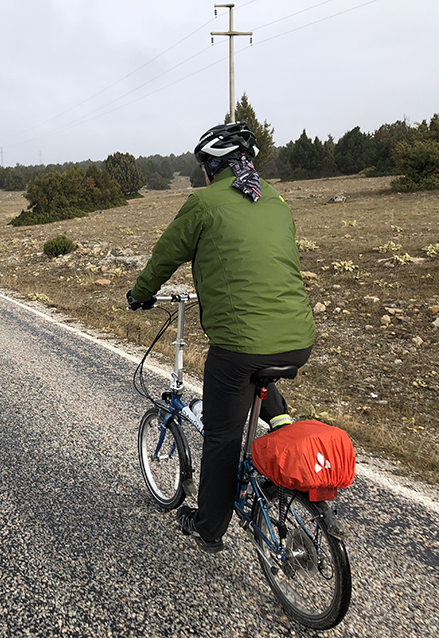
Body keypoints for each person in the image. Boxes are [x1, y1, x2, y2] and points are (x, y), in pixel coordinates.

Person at [126, 122, 315, 552]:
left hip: (241, 345)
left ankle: (208, 527)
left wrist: (141, 294)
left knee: (221, 437)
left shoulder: (204, 203)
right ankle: (281, 427)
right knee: (256, 371)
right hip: (298, 336)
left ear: (212, 167)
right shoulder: (275, 200)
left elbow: (165, 255)